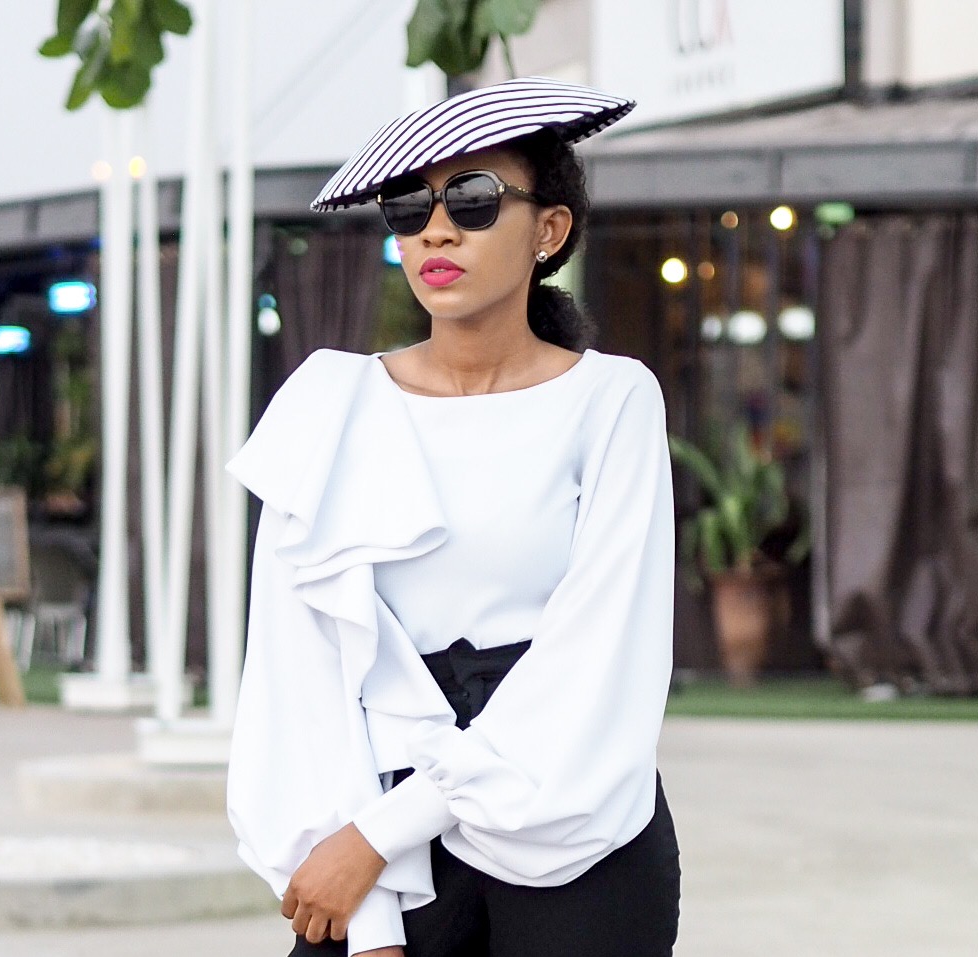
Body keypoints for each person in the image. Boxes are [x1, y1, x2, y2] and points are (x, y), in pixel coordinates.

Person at [226, 76, 680, 957]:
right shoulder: (328, 403)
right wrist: (367, 905)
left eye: (471, 200)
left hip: (570, 827)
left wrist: (379, 833)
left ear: (550, 230)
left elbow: (596, 661)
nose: (435, 229)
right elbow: (296, 671)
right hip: (375, 847)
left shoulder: (611, 400)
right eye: (407, 205)